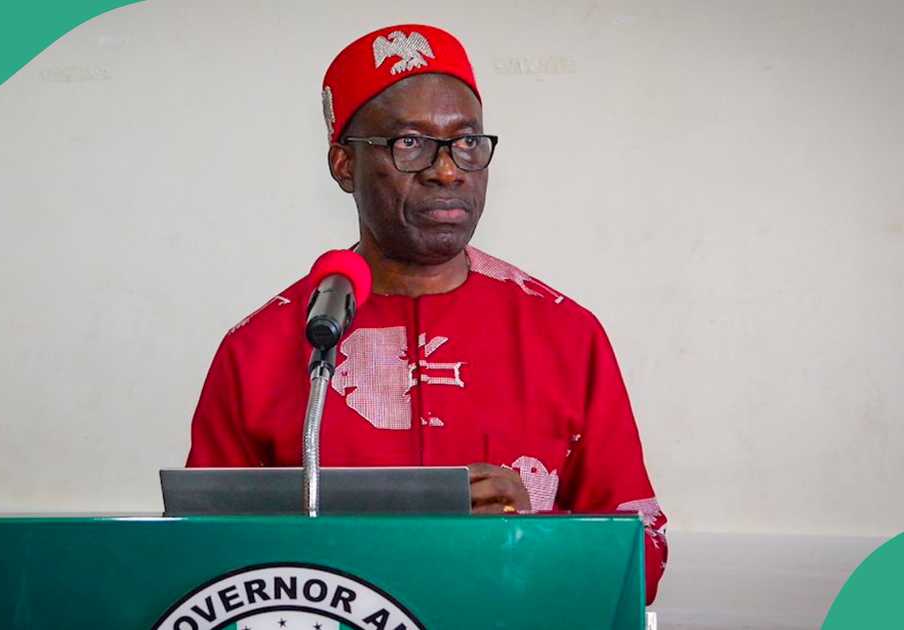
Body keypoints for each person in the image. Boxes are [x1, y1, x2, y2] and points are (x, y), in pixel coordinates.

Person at [185, 23, 668, 603]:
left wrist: (528, 532)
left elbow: (643, 557)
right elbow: (202, 563)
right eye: (409, 142)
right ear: (344, 164)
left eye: (467, 142)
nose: (447, 170)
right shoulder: (261, 348)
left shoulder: (566, 334)